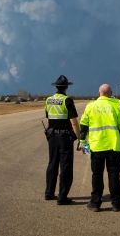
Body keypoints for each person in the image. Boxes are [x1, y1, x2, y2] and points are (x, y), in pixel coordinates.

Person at [79, 84, 120, 212]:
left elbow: (83, 127)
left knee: (96, 175)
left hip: (96, 147)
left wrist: (84, 146)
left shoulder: (90, 106)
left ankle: (95, 203)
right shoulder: (116, 105)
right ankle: (116, 204)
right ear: (111, 93)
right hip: (113, 147)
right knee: (114, 175)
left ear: (99, 93)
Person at [45, 75, 81, 205]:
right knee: (65, 166)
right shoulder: (67, 100)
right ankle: (62, 196)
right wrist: (79, 138)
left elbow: (48, 120)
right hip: (65, 138)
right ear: (66, 87)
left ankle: (49, 193)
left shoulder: (48, 100)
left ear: (56, 86)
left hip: (52, 136)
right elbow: (74, 123)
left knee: (52, 164)